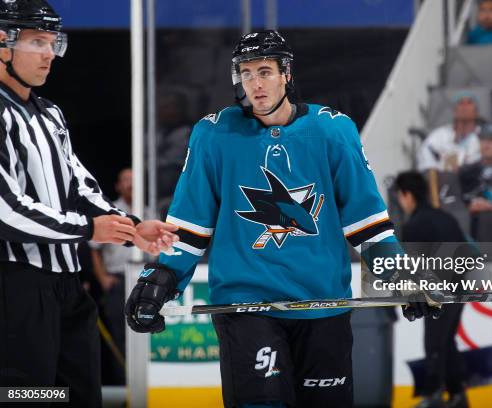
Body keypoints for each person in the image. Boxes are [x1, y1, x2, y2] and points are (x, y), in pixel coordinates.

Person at [124, 30, 440, 408]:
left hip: (323, 305)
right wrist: (164, 277)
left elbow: (366, 223)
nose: (255, 84)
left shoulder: (333, 131)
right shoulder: (215, 134)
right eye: (246, 73)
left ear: (286, 74)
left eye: (265, 71)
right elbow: (190, 225)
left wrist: (399, 274)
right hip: (247, 307)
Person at [0, 1, 178, 406]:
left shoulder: (50, 116)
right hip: (16, 289)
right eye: (38, 42)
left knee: (81, 396)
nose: (50, 54)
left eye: (53, 43)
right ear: (3, 44)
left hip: (67, 287)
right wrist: (87, 229)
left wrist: (129, 226)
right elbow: (5, 208)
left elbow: (80, 186)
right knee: (29, 397)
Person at [395, 171, 469, 408]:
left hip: (437, 291)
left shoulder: (414, 225)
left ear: (407, 195)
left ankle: (434, 394)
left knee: (435, 342)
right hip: (460, 288)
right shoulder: (446, 218)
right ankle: (457, 395)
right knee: (446, 341)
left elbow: (413, 268)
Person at [90, 168, 134, 385]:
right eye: (125, 180)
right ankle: (123, 387)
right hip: (116, 281)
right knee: (119, 336)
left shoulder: (149, 208)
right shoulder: (111, 211)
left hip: (142, 281)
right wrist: (103, 279)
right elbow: (94, 248)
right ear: (118, 186)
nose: (130, 184)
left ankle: (143, 383)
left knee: (144, 334)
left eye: (134, 180)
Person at [418, 92, 482, 173]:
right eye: (460, 103)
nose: (464, 107)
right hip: (442, 179)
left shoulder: (484, 135)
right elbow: (426, 154)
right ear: (454, 111)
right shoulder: (440, 134)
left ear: (476, 112)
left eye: (469, 103)